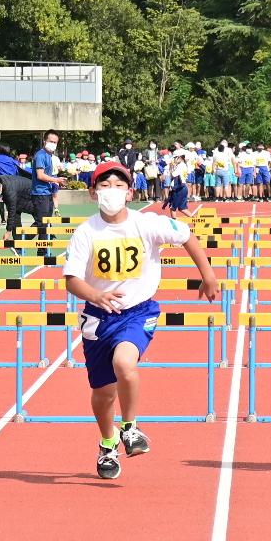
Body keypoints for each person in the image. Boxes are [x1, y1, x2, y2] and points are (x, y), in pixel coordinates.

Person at [62, 161, 221, 479]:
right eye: (104, 185)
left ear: (130, 192)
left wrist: (208, 275)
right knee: (104, 393)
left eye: (118, 185)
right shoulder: (86, 233)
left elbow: (187, 236)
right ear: (93, 193)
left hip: (138, 312)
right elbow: (71, 280)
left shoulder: (147, 223)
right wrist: (95, 295)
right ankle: (108, 445)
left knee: (125, 363)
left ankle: (130, 428)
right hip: (98, 318)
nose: (112, 191)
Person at [27, 131, 65, 249]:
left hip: (47, 192)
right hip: (40, 193)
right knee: (42, 223)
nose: (53, 144)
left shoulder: (49, 156)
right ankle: (19, 243)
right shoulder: (41, 155)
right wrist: (56, 180)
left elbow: (47, 176)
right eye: (51, 141)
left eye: (55, 142)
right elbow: (40, 175)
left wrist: (57, 181)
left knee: (45, 223)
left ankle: (42, 250)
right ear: (45, 141)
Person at [0, 144, 30, 248]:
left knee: (7, 206)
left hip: (2, 185)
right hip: (15, 186)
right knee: (16, 212)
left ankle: (3, 220)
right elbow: (20, 170)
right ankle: (18, 241)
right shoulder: (12, 160)